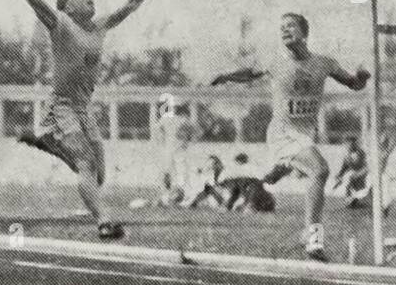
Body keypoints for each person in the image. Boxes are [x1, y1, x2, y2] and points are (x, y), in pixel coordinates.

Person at [0, 0, 170, 239]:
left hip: (83, 109)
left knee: (98, 175)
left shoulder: (100, 25)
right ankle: (104, 221)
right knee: (85, 163)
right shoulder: (60, 24)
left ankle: (47, 142)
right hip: (62, 105)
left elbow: (131, 4)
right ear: (66, 6)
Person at [212, 13, 370, 261]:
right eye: (281, 27)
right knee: (319, 171)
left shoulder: (325, 63)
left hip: (306, 132)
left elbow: (354, 84)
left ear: (304, 33)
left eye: (290, 26)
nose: (285, 30)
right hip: (282, 133)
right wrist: (226, 76)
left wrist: (362, 77)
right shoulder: (275, 63)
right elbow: (250, 74)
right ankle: (313, 237)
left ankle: (279, 168)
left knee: (289, 173)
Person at [155, 105, 196, 206]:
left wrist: (186, 141)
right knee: (170, 174)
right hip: (172, 149)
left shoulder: (182, 120)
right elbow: (157, 130)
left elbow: (193, 131)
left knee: (178, 174)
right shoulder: (175, 119)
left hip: (176, 149)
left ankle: (178, 197)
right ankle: (168, 197)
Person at [331, 137, 370, 208]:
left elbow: (365, 166)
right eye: (347, 144)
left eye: (350, 144)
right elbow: (344, 167)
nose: (348, 146)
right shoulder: (347, 155)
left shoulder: (360, 153)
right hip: (355, 174)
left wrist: (358, 174)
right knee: (348, 179)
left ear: (355, 144)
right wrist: (339, 176)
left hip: (364, 173)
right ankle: (351, 200)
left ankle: (355, 199)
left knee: (351, 178)